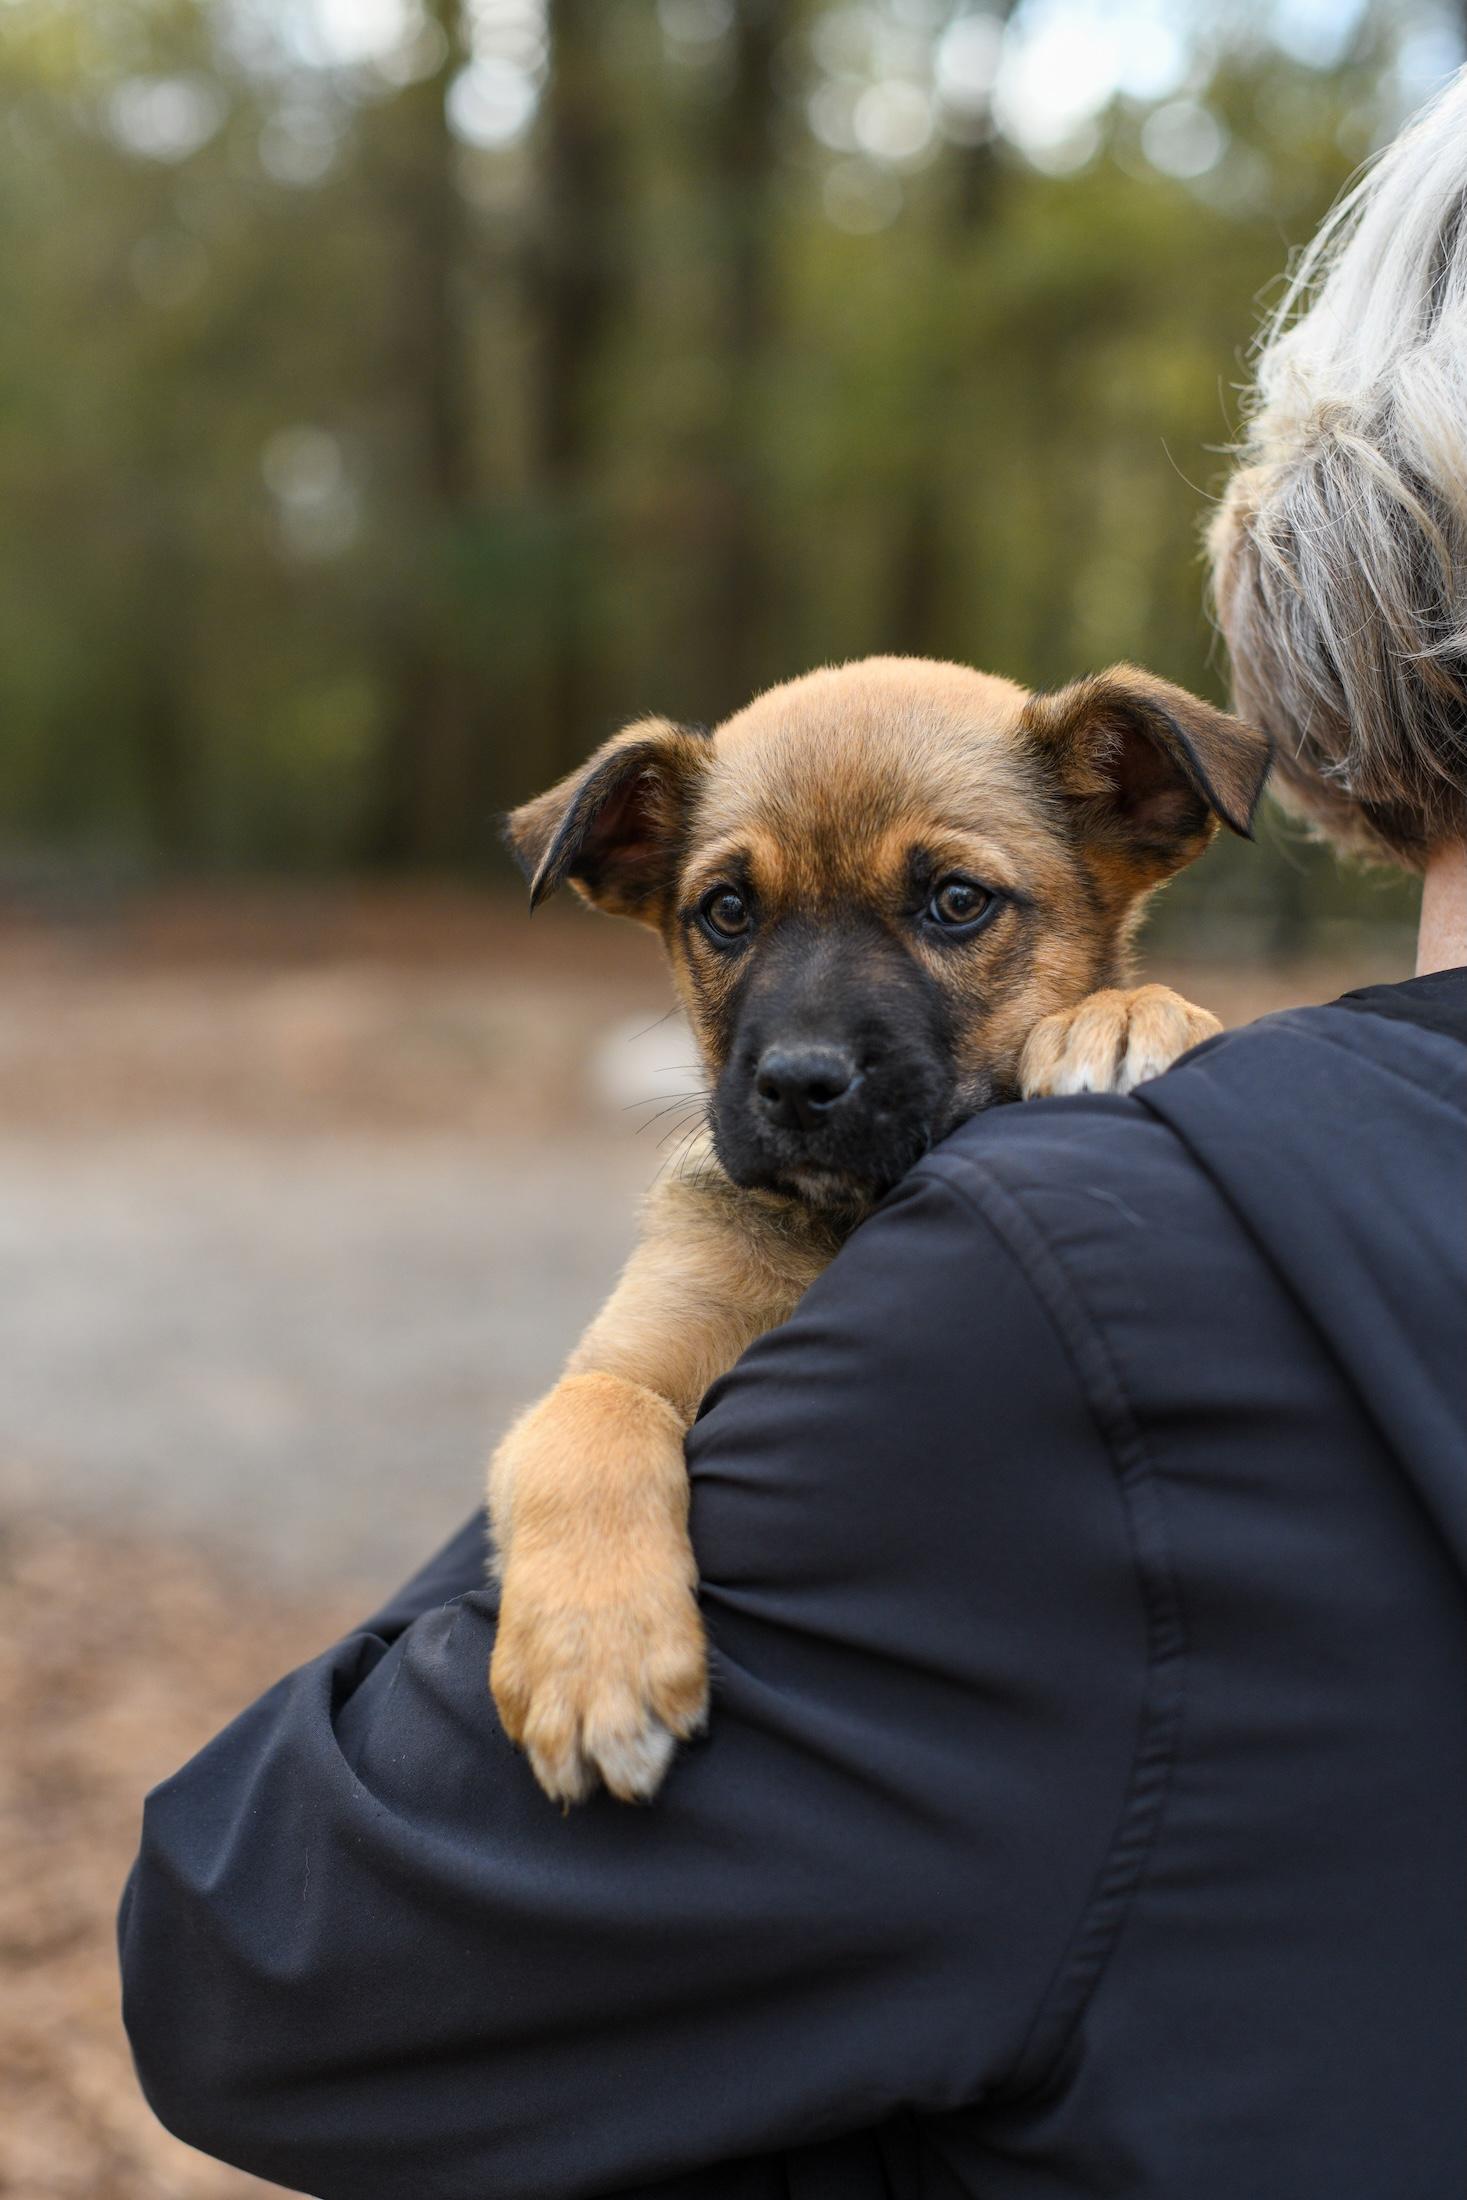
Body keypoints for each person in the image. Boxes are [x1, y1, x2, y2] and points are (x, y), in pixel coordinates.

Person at [119, 75, 1467, 2200]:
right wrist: (583, 1511)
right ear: (640, 876)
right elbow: (607, 1399)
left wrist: (1111, 1026)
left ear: (1133, 830)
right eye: (733, 916)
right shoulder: (743, 1210)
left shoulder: (1136, 1112)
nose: (815, 1038)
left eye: (946, 911)